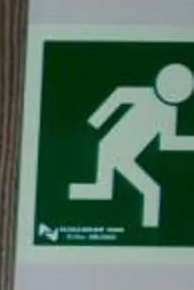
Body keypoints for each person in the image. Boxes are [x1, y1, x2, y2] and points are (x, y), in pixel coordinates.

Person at [73, 61, 194, 229]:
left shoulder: (169, 113)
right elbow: (120, 94)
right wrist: (98, 119)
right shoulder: (145, 94)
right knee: (151, 191)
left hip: (116, 152)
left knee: (108, 188)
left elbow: (168, 142)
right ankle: (148, 229)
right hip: (113, 151)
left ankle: (95, 190)